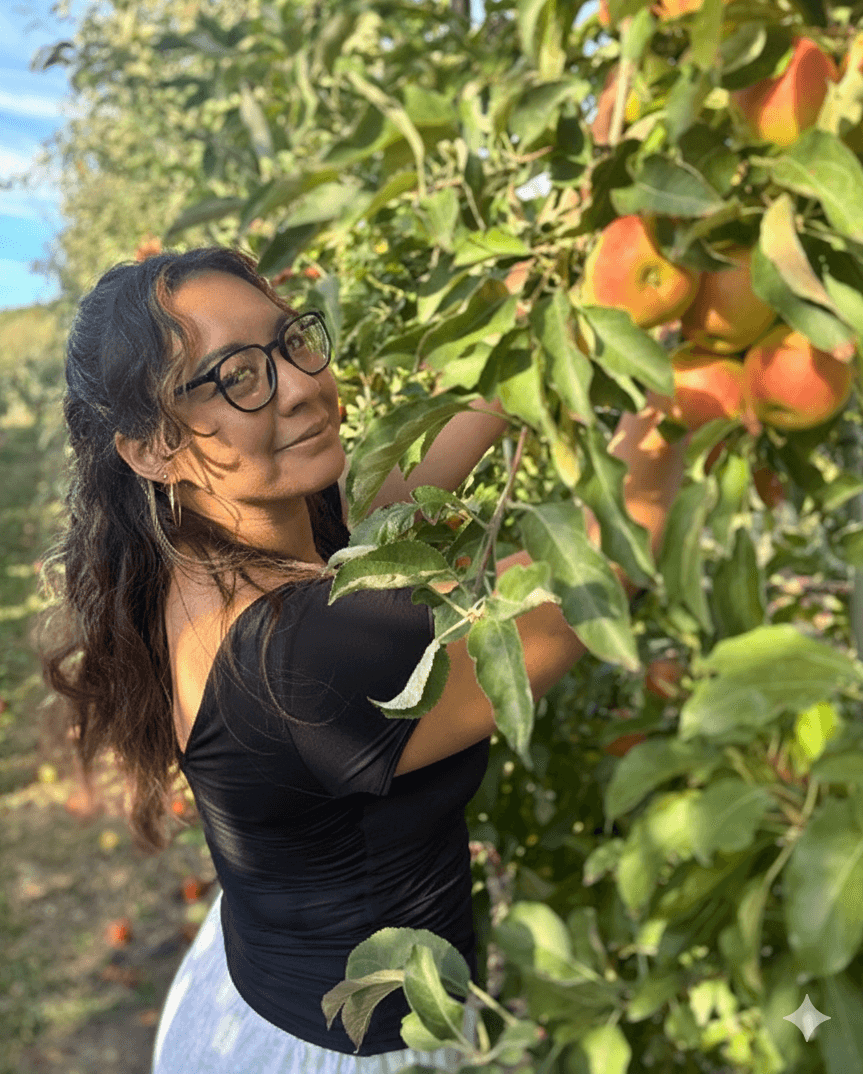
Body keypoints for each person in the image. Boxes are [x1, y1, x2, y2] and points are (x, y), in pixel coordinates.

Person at [39, 245, 689, 1074]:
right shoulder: (297, 654)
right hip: (345, 1048)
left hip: (249, 985)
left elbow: (397, 497)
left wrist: (555, 299)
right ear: (153, 449)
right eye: (239, 376)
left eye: (291, 341)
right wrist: (688, 389)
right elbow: (590, 585)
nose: (303, 385)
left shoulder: (220, 540)